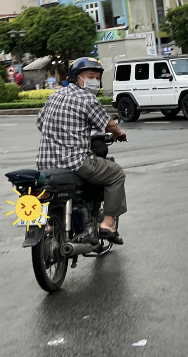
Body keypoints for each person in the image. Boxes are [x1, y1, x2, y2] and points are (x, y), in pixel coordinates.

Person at [36, 57, 128, 245]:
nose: (94, 81)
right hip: (75, 163)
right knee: (116, 173)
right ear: (76, 78)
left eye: (97, 77)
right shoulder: (88, 99)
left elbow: (40, 123)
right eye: (90, 76)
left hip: (45, 164)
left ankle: (51, 224)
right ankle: (108, 224)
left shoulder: (54, 96)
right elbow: (108, 124)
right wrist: (118, 133)